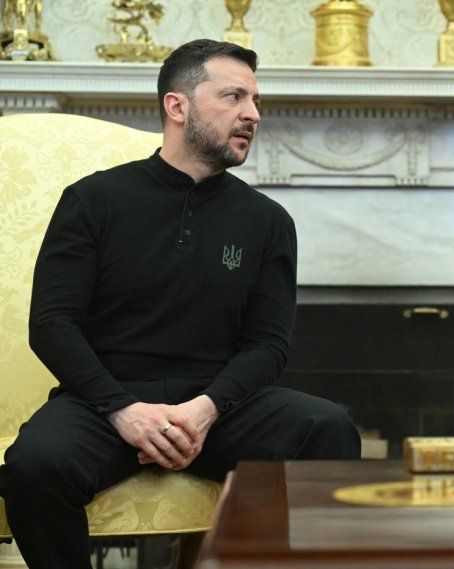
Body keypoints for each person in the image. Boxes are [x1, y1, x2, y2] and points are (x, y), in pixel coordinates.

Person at [0, 39, 361, 568]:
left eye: (256, 101)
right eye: (234, 97)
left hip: (220, 406)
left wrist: (204, 411)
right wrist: (123, 411)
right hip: (105, 405)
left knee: (328, 429)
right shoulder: (93, 200)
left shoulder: (267, 221)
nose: (252, 114)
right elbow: (53, 324)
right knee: (34, 466)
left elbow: (268, 344)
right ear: (178, 106)